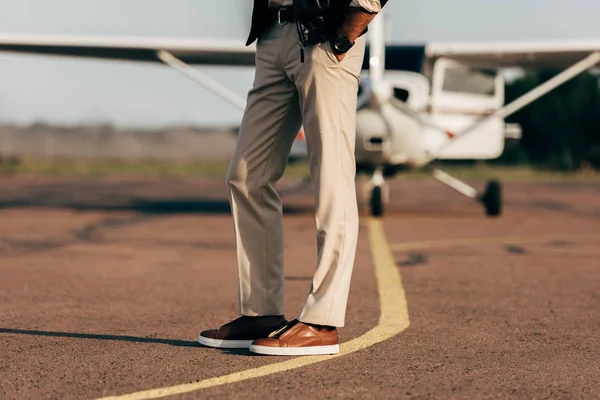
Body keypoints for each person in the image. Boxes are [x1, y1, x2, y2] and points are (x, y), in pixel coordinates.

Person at [199, 0, 390, 356]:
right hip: (274, 34)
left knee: (331, 176)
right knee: (245, 176)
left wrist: (348, 31)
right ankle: (262, 313)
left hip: (326, 35)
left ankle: (322, 321)